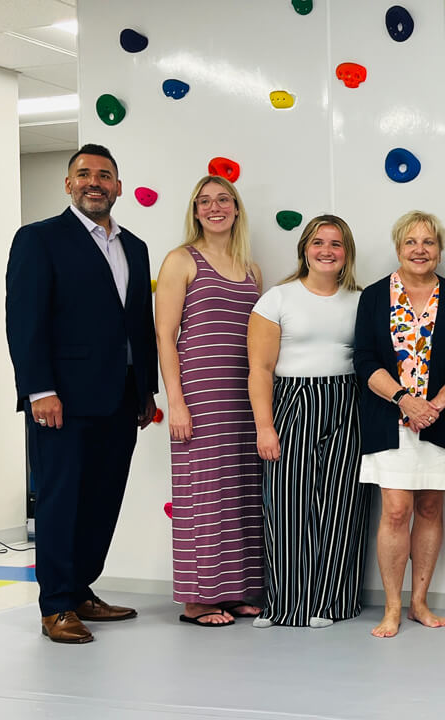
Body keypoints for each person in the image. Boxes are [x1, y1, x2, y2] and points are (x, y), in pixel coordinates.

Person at [6, 143, 158, 643]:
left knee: (101, 500)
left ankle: (79, 590)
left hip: (120, 400)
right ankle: (54, 606)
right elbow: (25, 322)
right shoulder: (39, 239)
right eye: (84, 174)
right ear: (69, 184)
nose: (95, 182)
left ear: (118, 185)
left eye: (105, 175)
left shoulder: (134, 245)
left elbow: (138, 323)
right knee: (60, 500)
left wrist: (145, 391)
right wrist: (39, 390)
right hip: (61, 401)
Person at [247, 215, 367, 628]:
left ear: (346, 253)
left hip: (347, 400)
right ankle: (283, 604)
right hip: (293, 400)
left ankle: (329, 602)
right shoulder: (276, 299)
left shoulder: (360, 300)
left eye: (336, 244)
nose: (327, 251)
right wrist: (265, 426)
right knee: (286, 503)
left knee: (340, 504)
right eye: (318, 242)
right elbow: (260, 369)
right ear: (304, 249)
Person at [155, 176, 265, 628]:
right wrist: (175, 403)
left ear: (236, 209)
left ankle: (235, 590)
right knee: (204, 493)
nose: (215, 207)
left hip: (245, 396)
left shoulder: (252, 269)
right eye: (205, 201)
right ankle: (198, 599)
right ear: (195, 211)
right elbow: (164, 336)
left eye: (224, 200)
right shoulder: (181, 260)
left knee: (242, 491)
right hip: (200, 394)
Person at [354, 211, 445, 638]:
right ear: (398, 248)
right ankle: (392, 607)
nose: (420, 250)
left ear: (439, 249)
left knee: (430, 508)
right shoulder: (374, 296)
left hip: (441, 417)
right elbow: (364, 360)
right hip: (389, 418)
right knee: (397, 510)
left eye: (429, 242)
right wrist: (406, 401)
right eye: (411, 242)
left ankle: (420, 602)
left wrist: (433, 406)